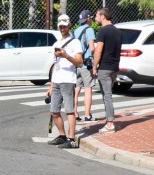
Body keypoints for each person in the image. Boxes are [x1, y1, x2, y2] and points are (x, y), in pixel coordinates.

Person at [43, 14, 83, 149]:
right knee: (54, 111)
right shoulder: (56, 44)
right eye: (60, 25)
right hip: (57, 81)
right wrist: (51, 85)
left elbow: (80, 62)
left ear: (69, 25)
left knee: (70, 111)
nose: (62, 27)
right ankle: (62, 135)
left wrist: (66, 55)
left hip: (68, 80)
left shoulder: (75, 42)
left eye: (65, 25)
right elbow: (56, 65)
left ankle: (71, 139)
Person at [92, 8, 123, 132]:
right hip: (115, 67)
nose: (95, 18)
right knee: (108, 95)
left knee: (107, 96)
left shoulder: (102, 31)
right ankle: (108, 120)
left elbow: (98, 50)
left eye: (97, 16)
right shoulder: (118, 31)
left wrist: (94, 66)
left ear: (103, 16)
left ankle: (110, 123)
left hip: (105, 67)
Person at [72, 10, 97, 125]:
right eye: (91, 18)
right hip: (87, 64)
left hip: (77, 63)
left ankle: (75, 113)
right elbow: (92, 48)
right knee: (88, 88)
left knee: (76, 89)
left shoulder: (75, 31)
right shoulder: (90, 30)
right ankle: (87, 115)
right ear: (88, 19)